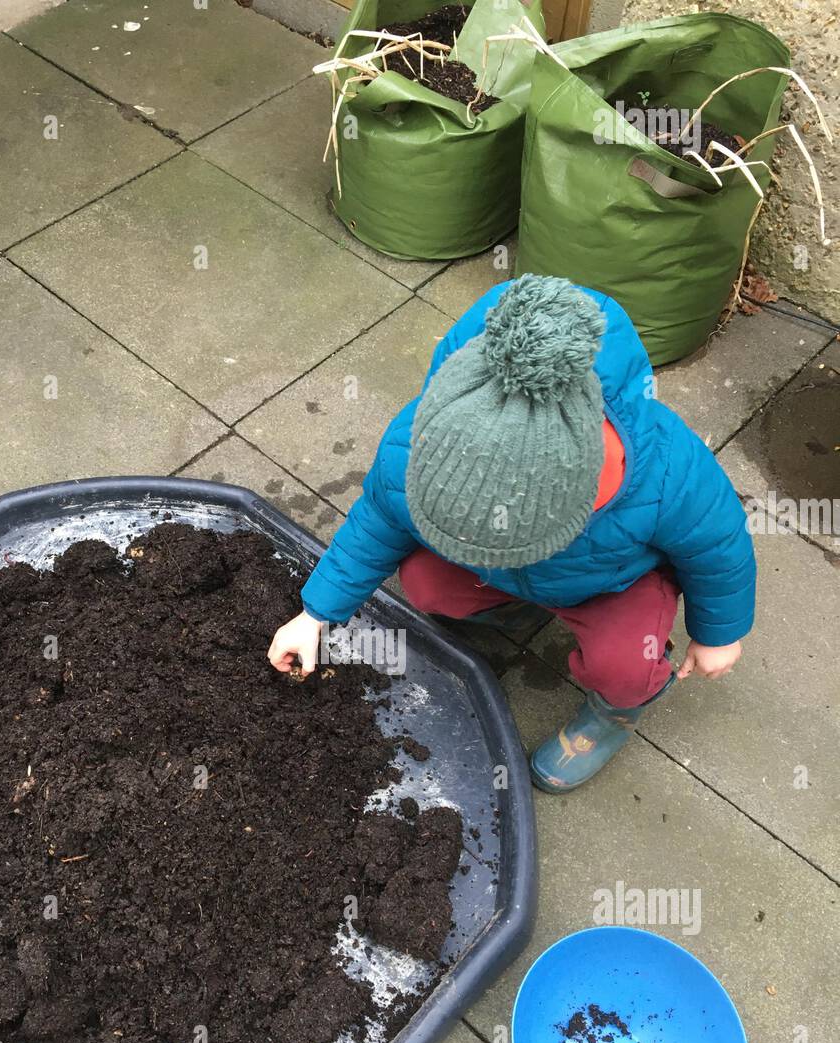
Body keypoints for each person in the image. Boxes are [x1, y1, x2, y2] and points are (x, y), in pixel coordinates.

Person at [267, 275, 755, 792]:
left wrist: (718, 634)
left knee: (625, 666)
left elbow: (719, 548)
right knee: (426, 584)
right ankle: (514, 605)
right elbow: (378, 522)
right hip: (500, 573)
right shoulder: (417, 449)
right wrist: (315, 613)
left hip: (609, 583)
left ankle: (617, 711)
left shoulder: (664, 474)